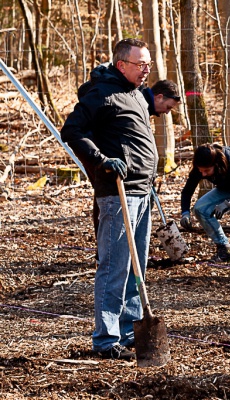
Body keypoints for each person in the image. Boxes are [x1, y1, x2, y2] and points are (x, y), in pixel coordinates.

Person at [61, 38, 157, 360]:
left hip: (142, 190)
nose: (146, 69)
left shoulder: (137, 96)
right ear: (121, 65)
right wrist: (102, 159)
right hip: (118, 193)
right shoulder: (102, 94)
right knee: (114, 266)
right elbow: (72, 130)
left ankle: (130, 330)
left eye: (148, 63)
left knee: (135, 268)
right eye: (140, 63)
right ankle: (105, 338)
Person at [80, 75, 181, 249]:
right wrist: (101, 157)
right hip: (101, 155)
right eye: (168, 107)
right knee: (105, 196)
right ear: (159, 97)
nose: (167, 111)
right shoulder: (133, 96)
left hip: (125, 162)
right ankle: (105, 248)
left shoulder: (142, 102)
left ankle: (128, 244)